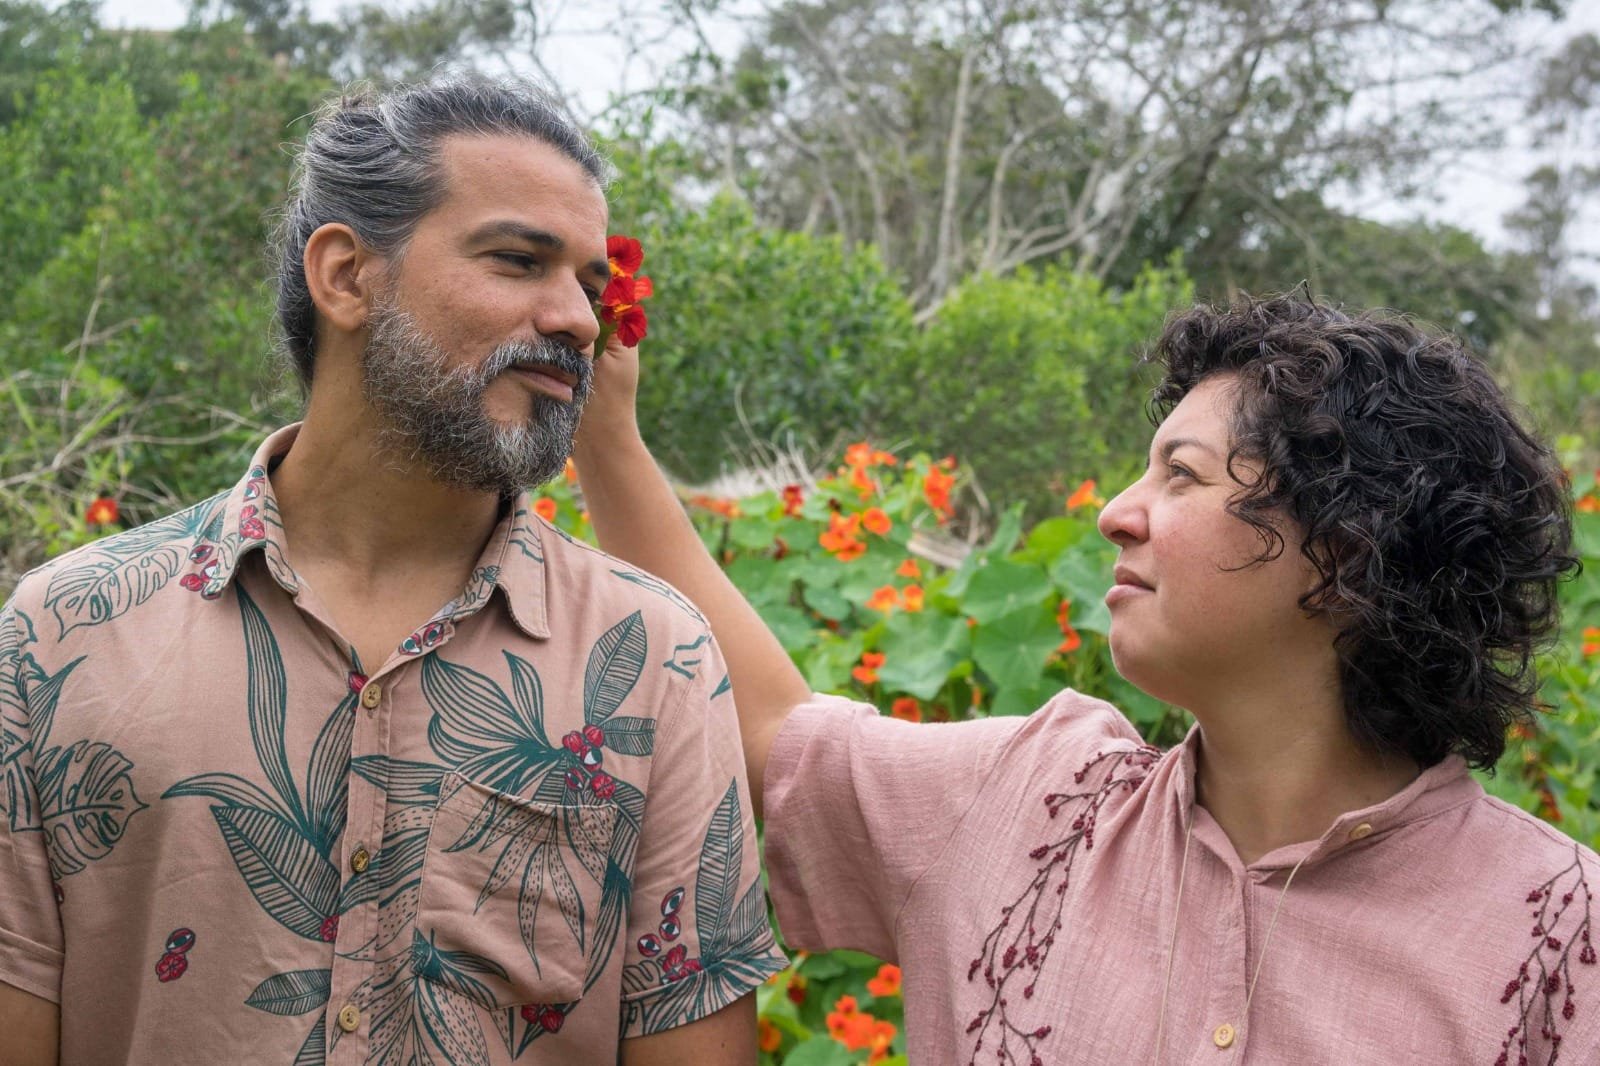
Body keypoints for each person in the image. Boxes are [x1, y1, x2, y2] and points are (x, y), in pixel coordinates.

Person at [573, 293, 1598, 1063]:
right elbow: (770, 729)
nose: (1116, 510)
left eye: (1181, 474)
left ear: (1344, 549)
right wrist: (606, 437)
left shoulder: (1560, 934)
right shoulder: (1026, 803)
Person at [0, 78, 783, 1066]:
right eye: (519, 260)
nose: (580, 319)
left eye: (588, 280)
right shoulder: (63, 633)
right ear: (345, 275)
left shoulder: (655, 661)